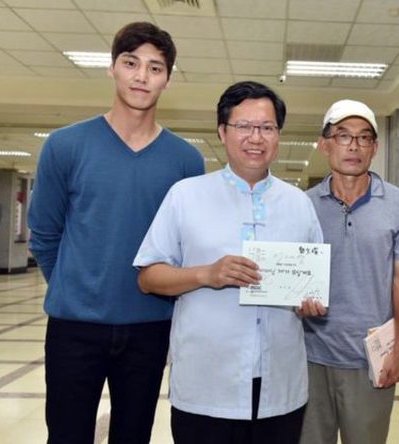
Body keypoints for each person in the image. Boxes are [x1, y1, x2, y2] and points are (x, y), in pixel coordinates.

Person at [28, 22, 204, 444]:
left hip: (150, 327)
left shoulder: (186, 161)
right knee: (66, 435)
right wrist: (75, 289)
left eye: (155, 68)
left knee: (134, 435)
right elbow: (45, 235)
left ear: (168, 79)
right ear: (112, 68)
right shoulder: (65, 146)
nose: (141, 76)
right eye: (130, 63)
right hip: (74, 327)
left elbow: (185, 248)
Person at [134, 80, 324, 444]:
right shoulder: (186, 196)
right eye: (244, 126)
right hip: (207, 384)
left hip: (280, 386)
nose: (256, 137)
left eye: (267, 127)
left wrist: (309, 302)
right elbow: (148, 276)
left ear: (278, 135)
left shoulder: (299, 204)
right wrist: (207, 274)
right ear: (222, 132)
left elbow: (312, 283)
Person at [299, 100, 399, 444]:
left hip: (370, 358)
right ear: (324, 145)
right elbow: (292, 276)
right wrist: (295, 301)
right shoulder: (302, 205)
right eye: (343, 136)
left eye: (364, 138)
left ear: (374, 148)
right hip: (309, 356)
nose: (354, 146)